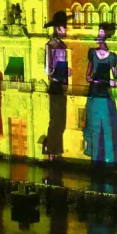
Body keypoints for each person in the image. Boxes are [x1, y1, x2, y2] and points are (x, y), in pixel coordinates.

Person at [83, 23, 117, 163]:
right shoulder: (92, 53)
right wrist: (94, 80)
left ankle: (109, 160)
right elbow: (87, 76)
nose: (98, 36)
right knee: (94, 128)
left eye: (101, 33)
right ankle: (95, 159)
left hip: (105, 96)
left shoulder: (112, 57)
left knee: (107, 128)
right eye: (98, 33)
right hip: (94, 94)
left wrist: (111, 82)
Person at [43, 10, 70, 158]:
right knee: (55, 120)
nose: (66, 29)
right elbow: (48, 69)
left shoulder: (62, 45)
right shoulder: (51, 45)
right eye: (64, 27)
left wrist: (66, 71)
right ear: (58, 28)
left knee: (61, 120)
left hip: (62, 85)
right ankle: (51, 151)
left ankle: (57, 150)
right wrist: (57, 73)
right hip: (55, 84)